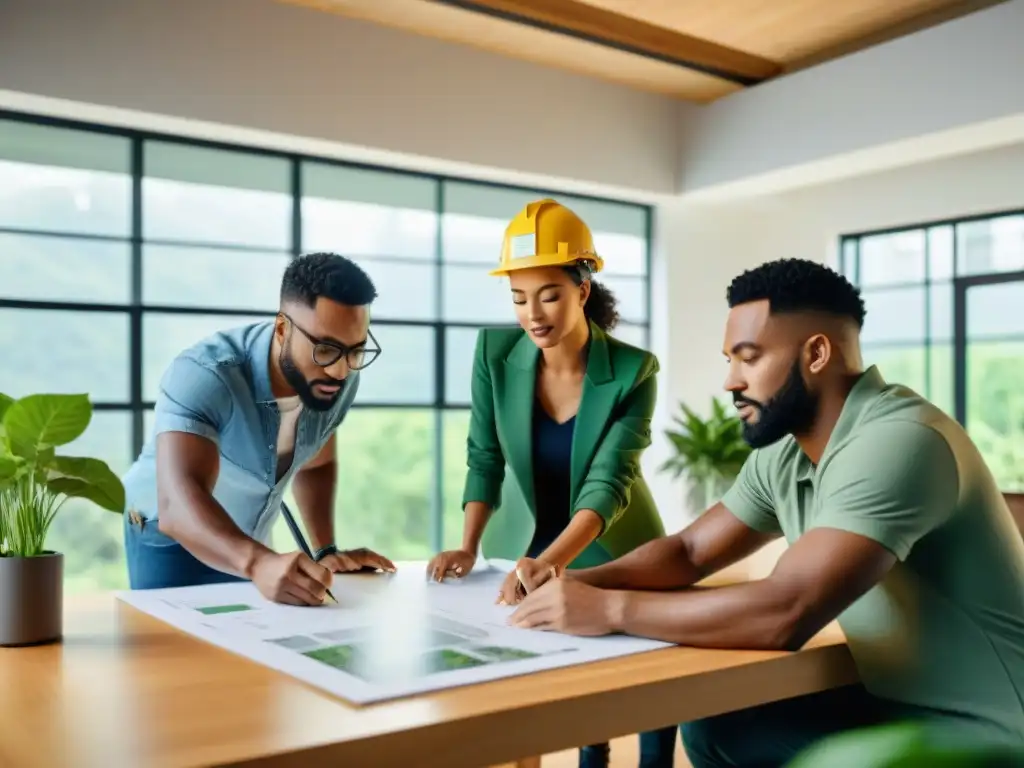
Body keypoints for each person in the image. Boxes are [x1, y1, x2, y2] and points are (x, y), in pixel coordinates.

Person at [506, 257, 1024, 765]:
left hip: (988, 734)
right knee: (723, 724)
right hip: (896, 705)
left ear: (816, 353)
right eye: (729, 359)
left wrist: (608, 610)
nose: (731, 380)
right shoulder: (786, 451)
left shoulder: (901, 441)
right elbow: (688, 553)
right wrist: (576, 582)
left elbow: (786, 611)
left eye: (749, 357)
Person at [425, 199, 678, 768]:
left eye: (549, 295)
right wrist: (468, 545)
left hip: (616, 542)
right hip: (531, 545)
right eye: (518, 298)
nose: (532, 313)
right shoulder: (495, 356)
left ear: (583, 289)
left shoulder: (635, 371)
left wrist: (556, 564)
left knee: (640, 689)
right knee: (548, 687)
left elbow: (608, 483)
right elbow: (483, 456)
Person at [121, 252, 397, 605]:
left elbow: (316, 462)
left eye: (356, 351)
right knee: (179, 655)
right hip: (171, 535)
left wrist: (325, 549)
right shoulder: (205, 375)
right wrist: (256, 562)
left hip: (251, 540)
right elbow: (177, 504)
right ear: (282, 329)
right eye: (326, 349)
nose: (341, 371)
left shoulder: (337, 378)